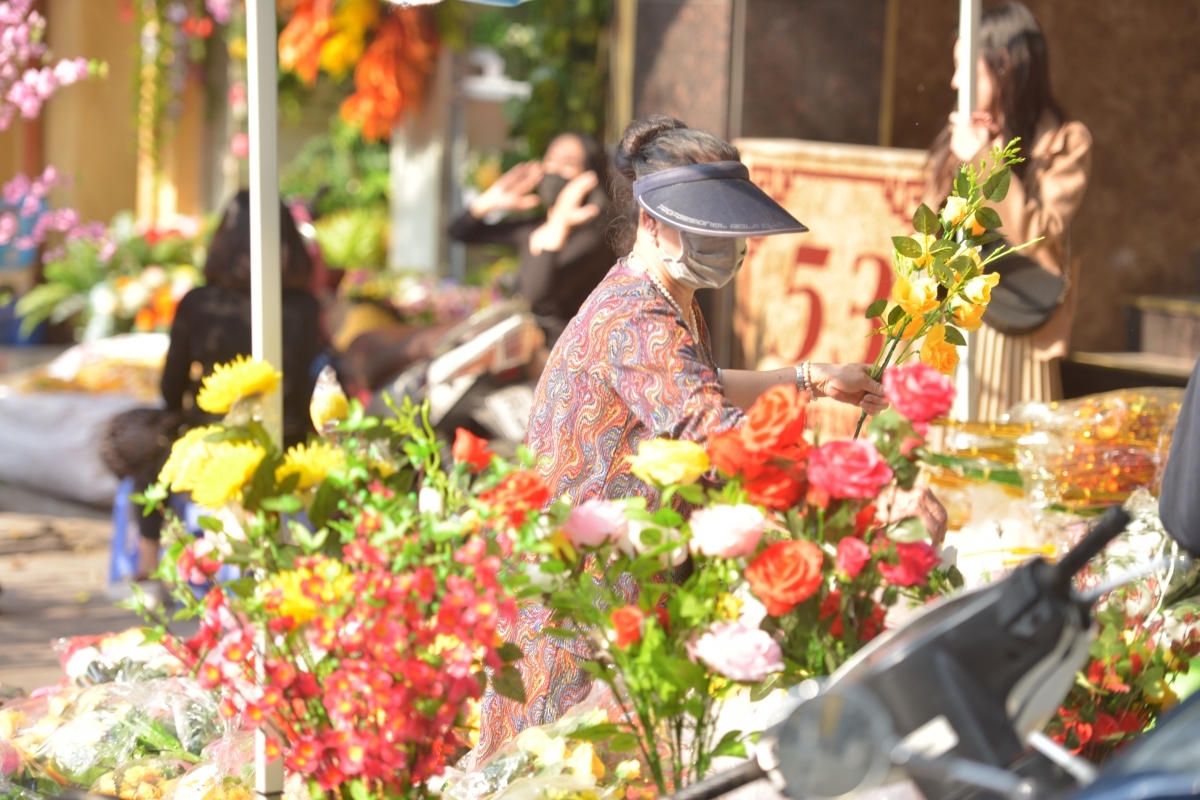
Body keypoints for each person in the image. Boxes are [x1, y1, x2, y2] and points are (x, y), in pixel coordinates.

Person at [476, 115, 947, 760]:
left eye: (729, 235)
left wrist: (809, 378)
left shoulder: (662, 294)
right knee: (563, 771)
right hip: (575, 612)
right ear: (650, 221)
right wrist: (870, 493)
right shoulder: (636, 318)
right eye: (706, 232)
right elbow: (719, 431)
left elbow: (700, 381)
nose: (724, 249)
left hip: (605, 588)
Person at [134, 191, 324, 576]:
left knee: (151, 457)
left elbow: (171, 387)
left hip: (212, 438)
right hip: (289, 441)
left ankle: (147, 565)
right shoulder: (305, 308)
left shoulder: (199, 304)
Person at [925, 1, 1092, 420]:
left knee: (1007, 458)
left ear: (1004, 65)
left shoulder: (1066, 142)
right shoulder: (964, 133)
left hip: (1017, 325)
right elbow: (931, 226)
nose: (954, 80)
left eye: (966, 67)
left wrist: (985, 157)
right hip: (955, 319)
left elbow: (1038, 231)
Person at [447, 132, 615, 350]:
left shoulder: (594, 238)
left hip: (564, 358)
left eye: (568, 163)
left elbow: (534, 297)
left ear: (589, 177)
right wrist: (489, 201)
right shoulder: (533, 226)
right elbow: (458, 233)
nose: (554, 169)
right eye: (551, 159)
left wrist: (559, 225)